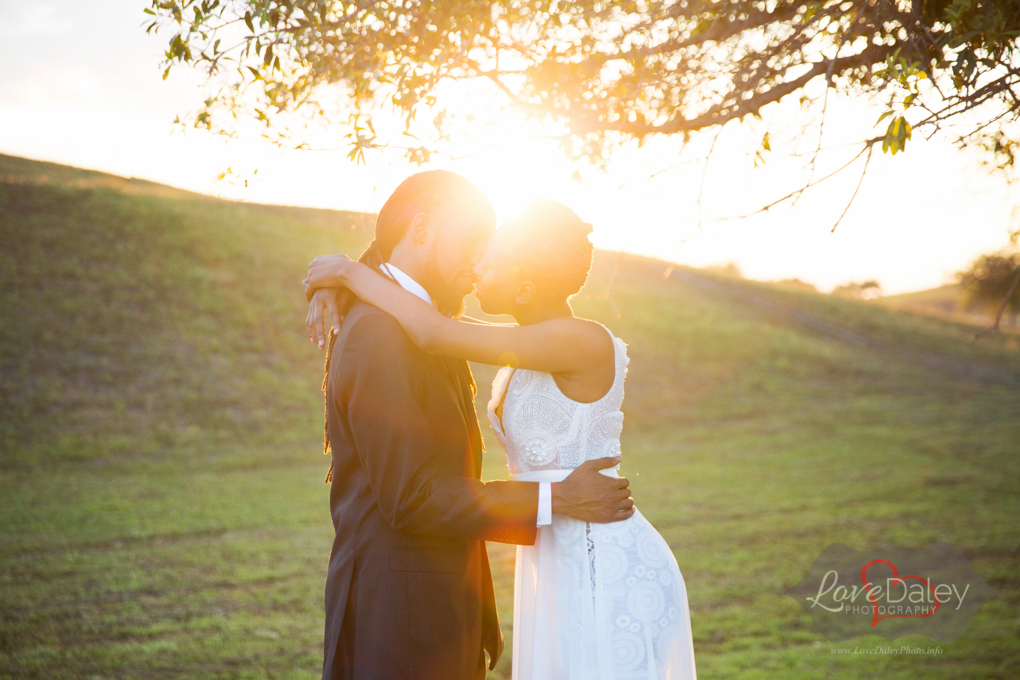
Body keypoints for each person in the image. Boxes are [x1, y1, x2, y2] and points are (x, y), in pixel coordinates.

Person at [305, 197, 697, 680]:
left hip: (600, 551)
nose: (476, 263)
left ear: (525, 287)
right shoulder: (521, 344)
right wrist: (338, 289)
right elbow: (423, 318)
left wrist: (347, 273)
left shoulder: (578, 340)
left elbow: (430, 330)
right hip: (553, 549)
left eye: (489, 258)